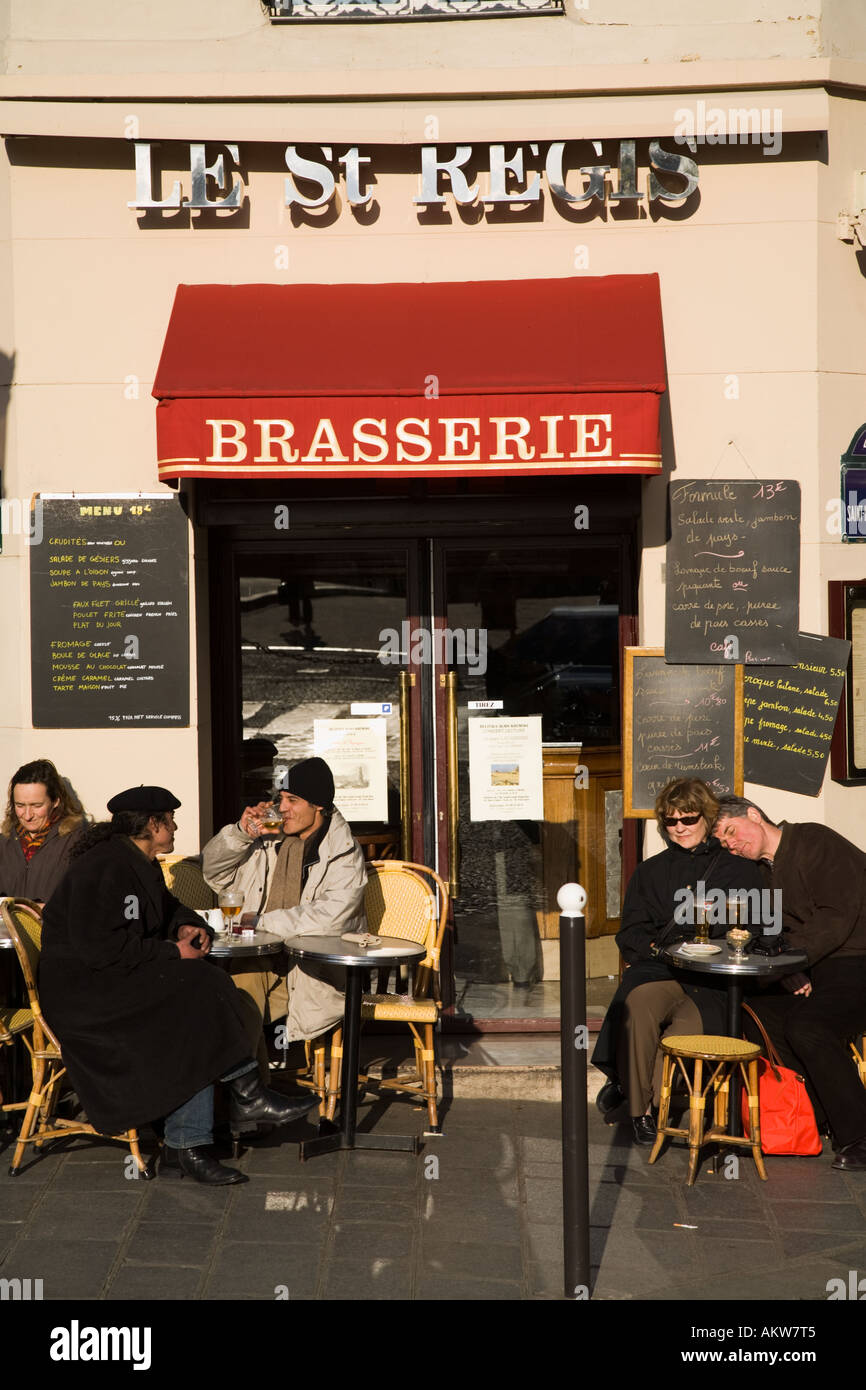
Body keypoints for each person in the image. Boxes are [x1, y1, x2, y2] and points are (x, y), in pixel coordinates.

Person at [39, 785, 318, 1186]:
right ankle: (238, 1102)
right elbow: (97, 948)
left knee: (199, 991)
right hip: (86, 1000)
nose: (174, 827)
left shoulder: (141, 862)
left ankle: (192, 1141)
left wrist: (188, 925)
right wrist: (172, 953)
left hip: (117, 983)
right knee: (197, 990)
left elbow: (170, 909)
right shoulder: (104, 867)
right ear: (153, 825)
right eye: (169, 820)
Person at [592, 778, 767, 1144]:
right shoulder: (650, 871)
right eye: (671, 822)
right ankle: (641, 1112)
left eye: (688, 819)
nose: (680, 828)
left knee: (680, 1034)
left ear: (705, 817)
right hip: (662, 968)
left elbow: (763, 930)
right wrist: (659, 948)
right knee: (638, 1004)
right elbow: (630, 934)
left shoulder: (740, 869)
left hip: (714, 979)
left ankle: (653, 1104)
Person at [713, 796, 866, 1171]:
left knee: (809, 1026)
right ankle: (816, 1114)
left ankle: (860, 1136)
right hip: (817, 968)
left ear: (754, 814)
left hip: (857, 961)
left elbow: (835, 917)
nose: (730, 844)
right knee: (753, 1010)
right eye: (722, 842)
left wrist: (786, 962)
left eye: (731, 832)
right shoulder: (764, 873)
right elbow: (779, 933)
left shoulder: (815, 841)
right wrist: (787, 969)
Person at [202, 756, 366, 1049]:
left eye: (293, 800)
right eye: (280, 799)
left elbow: (331, 917)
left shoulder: (343, 851)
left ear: (318, 805)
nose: (283, 808)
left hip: (312, 974)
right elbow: (214, 873)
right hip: (261, 959)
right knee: (236, 992)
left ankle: (241, 1088)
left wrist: (261, 923)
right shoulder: (267, 840)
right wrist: (241, 833)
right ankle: (249, 1088)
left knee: (235, 1004)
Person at [0, 758, 87, 903]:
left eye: (36, 805)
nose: (27, 815)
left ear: (55, 801)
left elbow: (85, 902)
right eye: (20, 805)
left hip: (50, 926)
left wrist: (46, 910)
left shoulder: (77, 843)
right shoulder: (4, 843)